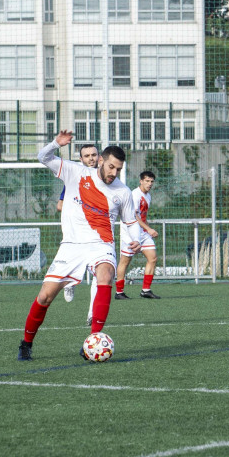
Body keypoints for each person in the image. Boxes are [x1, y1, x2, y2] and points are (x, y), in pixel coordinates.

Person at [18, 130, 140, 361]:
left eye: (119, 169)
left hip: (101, 244)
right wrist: (56, 143)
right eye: (111, 167)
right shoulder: (76, 172)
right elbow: (42, 158)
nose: (114, 173)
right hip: (71, 246)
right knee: (45, 296)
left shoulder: (123, 192)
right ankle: (26, 343)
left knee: (105, 276)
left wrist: (134, 239)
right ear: (101, 161)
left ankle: (93, 341)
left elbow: (130, 221)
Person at [55, 144, 99, 305]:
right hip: (74, 233)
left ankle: (92, 313)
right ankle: (69, 283)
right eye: (87, 156)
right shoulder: (74, 178)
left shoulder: (105, 178)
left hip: (96, 232)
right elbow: (60, 205)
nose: (91, 159)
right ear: (81, 159)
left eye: (93, 155)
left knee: (101, 273)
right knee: (67, 269)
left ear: (99, 157)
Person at [112, 170, 161, 301]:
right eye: (147, 181)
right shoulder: (135, 195)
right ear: (141, 181)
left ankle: (146, 290)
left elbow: (143, 216)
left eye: (151, 181)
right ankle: (119, 292)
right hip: (130, 232)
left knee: (153, 258)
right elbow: (134, 216)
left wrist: (147, 229)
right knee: (125, 261)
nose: (149, 184)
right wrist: (149, 229)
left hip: (142, 232)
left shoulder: (148, 196)